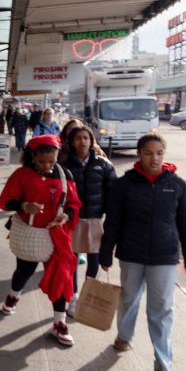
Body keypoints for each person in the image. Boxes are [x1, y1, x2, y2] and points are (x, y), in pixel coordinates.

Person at [99, 133, 186, 371]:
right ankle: (125, 335)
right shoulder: (124, 186)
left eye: (159, 153)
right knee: (129, 299)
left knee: (162, 310)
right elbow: (113, 222)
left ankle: (162, 368)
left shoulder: (177, 186)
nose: (154, 158)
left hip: (164, 256)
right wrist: (105, 252)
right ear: (139, 154)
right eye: (148, 153)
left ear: (164, 154)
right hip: (131, 254)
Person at [0, 134, 81, 346]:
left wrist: (67, 216)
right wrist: (24, 206)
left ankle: (59, 323)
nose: (46, 165)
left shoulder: (65, 175)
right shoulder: (21, 175)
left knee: (62, 276)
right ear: (32, 157)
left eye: (51, 161)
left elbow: (74, 203)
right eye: (41, 161)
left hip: (57, 235)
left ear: (57, 157)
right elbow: (7, 201)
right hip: (30, 233)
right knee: (24, 270)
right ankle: (14, 295)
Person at [59, 125, 117, 316]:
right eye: (78, 138)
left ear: (92, 141)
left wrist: (111, 220)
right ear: (71, 142)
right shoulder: (64, 165)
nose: (82, 141)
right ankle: (73, 297)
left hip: (95, 220)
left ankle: (87, 294)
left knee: (94, 260)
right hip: (72, 220)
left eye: (86, 138)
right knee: (72, 261)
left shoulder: (104, 164)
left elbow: (113, 195)